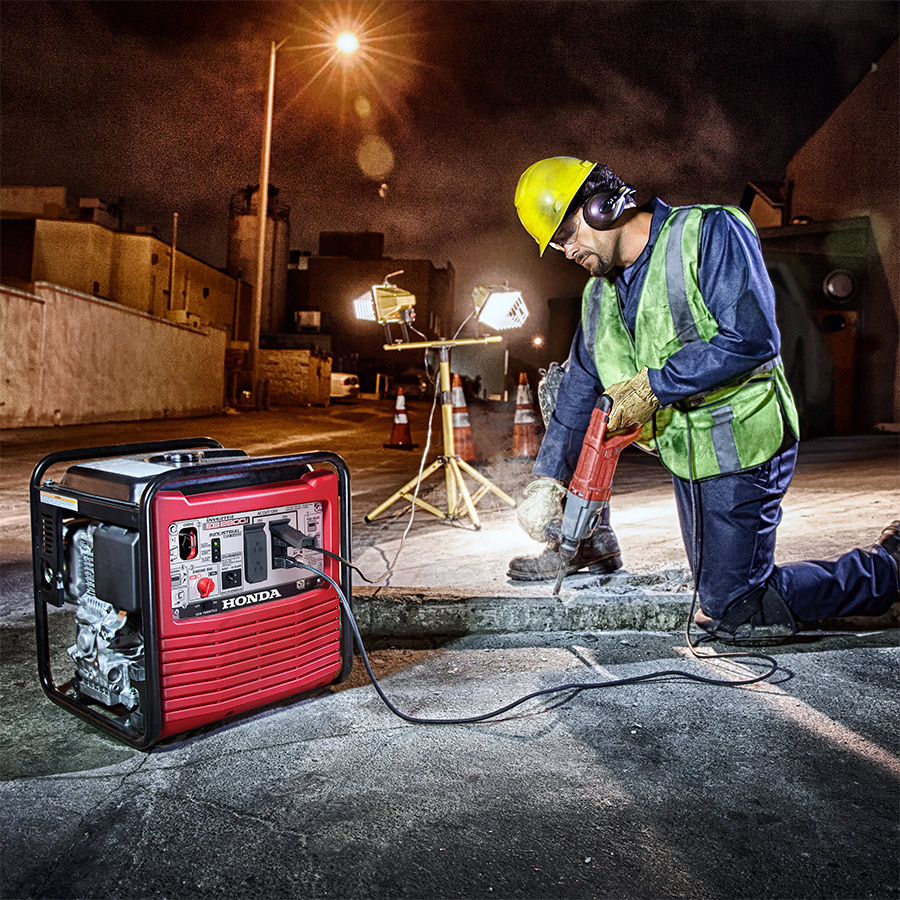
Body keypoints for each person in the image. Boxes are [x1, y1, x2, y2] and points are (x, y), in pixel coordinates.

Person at [507, 156, 899, 640]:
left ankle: (890, 568)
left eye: (566, 234)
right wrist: (547, 480)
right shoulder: (597, 297)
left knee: (736, 609)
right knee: (717, 593)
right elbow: (578, 391)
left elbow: (751, 338)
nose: (566, 251)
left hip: (745, 441)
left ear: (602, 207)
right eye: (556, 244)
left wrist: (655, 386)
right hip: (690, 456)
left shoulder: (709, 232)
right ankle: (594, 543)